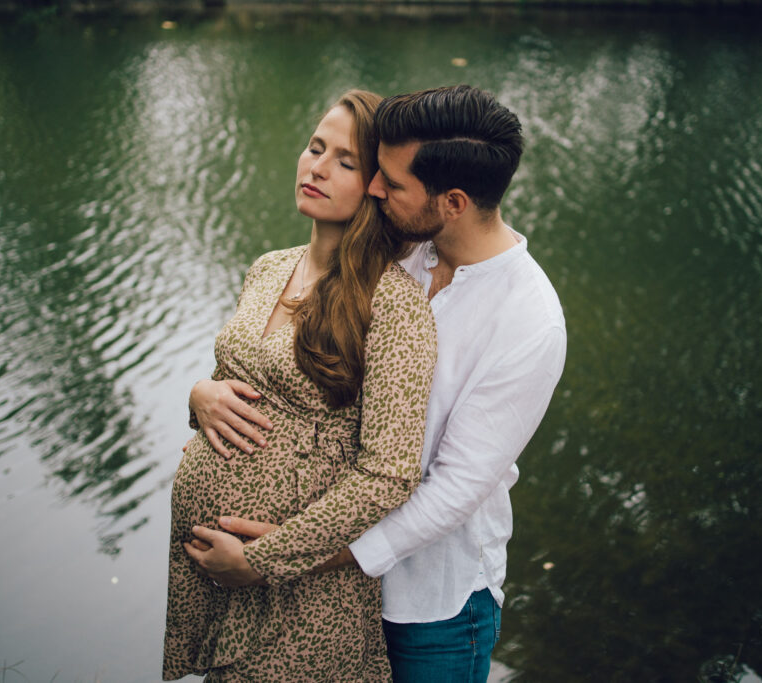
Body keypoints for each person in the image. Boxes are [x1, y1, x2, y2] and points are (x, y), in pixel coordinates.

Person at [186, 85, 567, 682]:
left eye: (389, 181)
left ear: (453, 201)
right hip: (323, 591)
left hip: (429, 607)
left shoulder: (529, 323)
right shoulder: (396, 247)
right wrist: (203, 396)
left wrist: (284, 558)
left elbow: (452, 490)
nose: (372, 189)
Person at [163, 90, 437, 681]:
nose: (316, 167)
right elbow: (233, 384)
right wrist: (198, 398)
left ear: (377, 187)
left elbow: (389, 475)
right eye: (315, 147)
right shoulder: (267, 268)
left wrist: (264, 560)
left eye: (345, 160)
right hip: (219, 575)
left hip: (303, 597)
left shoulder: (395, 305)